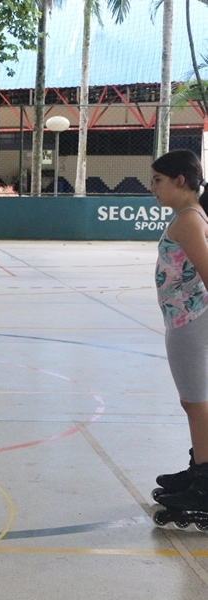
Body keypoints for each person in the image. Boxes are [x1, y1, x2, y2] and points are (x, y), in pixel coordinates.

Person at [148, 149, 208, 520]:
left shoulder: (187, 219)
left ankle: (203, 484)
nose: (152, 188)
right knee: (195, 402)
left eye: (157, 181)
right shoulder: (191, 216)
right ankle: (198, 468)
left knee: (196, 403)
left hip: (190, 320)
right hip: (186, 318)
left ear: (180, 181)